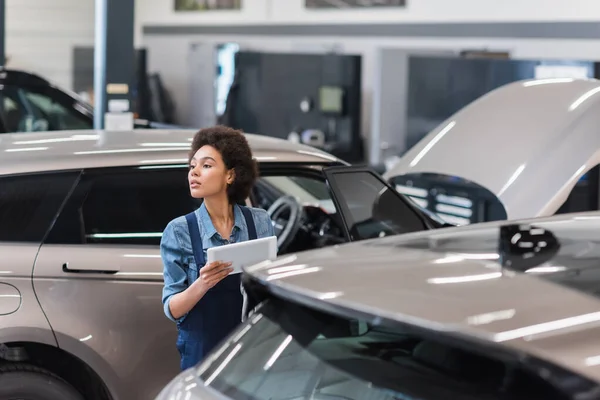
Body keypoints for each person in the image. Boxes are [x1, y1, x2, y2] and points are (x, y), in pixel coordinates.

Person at [160, 125, 275, 370]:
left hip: (251, 350)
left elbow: (271, 288)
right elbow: (172, 308)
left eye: (206, 165)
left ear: (231, 175)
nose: (194, 173)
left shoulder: (260, 222)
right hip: (202, 356)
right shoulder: (179, 231)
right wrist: (202, 284)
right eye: (192, 166)